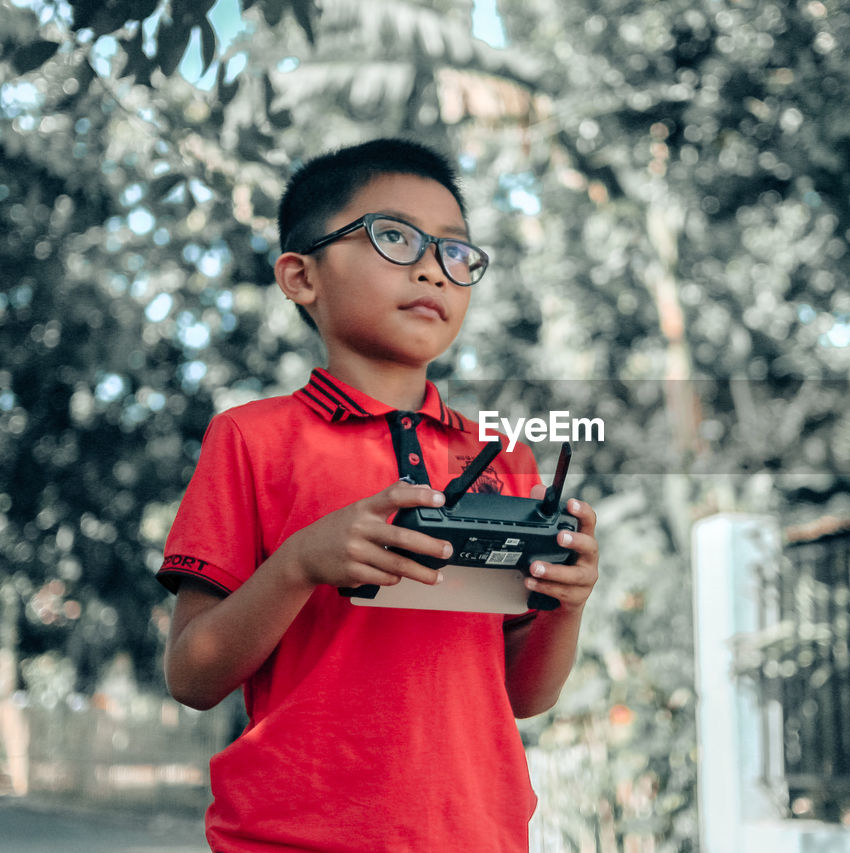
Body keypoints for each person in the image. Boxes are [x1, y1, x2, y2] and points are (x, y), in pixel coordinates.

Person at [158, 138, 600, 852]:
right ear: (301, 276)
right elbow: (191, 673)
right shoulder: (251, 439)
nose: (434, 266)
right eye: (394, 236)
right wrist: (301, 563)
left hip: (477, 834)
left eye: (457, 252)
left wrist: (567, 602)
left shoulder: (507, 457)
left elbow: (524, 694)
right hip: (293, 836)